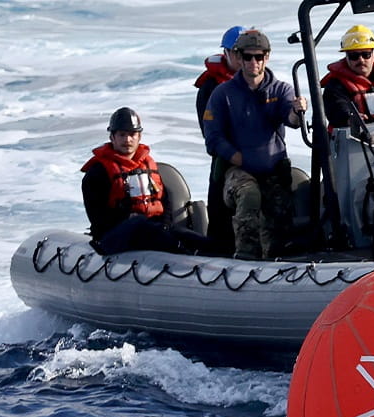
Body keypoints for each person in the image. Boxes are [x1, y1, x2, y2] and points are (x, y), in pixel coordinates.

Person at [203, 30, 308, 259]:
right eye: (248, 57)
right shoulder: (223, 94)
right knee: (249, 194)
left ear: (266, 58)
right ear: (238, 58)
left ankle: (276, 259)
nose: (253, 62)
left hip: (273, 170)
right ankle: (246, 254)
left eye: (258, 57)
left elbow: (290, 119)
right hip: (237, 171)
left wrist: (296, 111)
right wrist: (236, 157)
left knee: (279, 220)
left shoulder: (280, 90)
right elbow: (213, 137)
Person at [81, 108, 208, 256]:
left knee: (189, 237)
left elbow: (164, 202)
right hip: (115, 235)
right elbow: (98, 217)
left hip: (152, 229)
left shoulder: (148, 166)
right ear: (112, 137)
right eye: (122, 135)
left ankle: (219, 254)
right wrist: (126, 218)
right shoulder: (98, 172)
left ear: (139, 136)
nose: (127, 140)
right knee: (139, 224)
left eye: (132, 134)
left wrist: (165, 226)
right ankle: (183, 253)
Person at [194, 26, 243, 254]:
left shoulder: (261, 81)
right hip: (227, 158)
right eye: (237, 52)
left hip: (260, 156)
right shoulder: (210, 86)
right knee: (221, 210)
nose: (244, 58)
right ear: (226, 53)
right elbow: (210, 132)